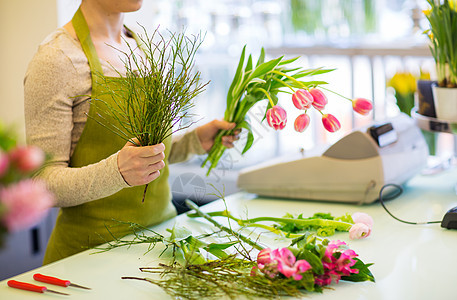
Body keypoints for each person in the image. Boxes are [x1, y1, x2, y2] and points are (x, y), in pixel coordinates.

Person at [24, 0, 238, 264]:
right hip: (89, 260)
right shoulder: (57, 60)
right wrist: (116, 173)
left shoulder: (143, 49)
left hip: (163, 245)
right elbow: (41, 183)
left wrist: (193, 142)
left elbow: (144, 154)